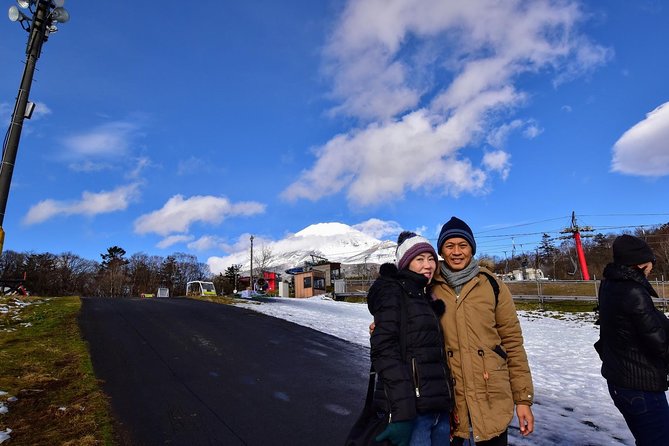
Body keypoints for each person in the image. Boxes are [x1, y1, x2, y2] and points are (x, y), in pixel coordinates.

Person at [431, 216, 534, 445]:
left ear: (472, 249)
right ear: (441, 251)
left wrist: (523, 400)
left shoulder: (492, 285)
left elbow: (513, 344)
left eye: (462, 245)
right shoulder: (430, 286)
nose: (456, 252)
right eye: (449, 246)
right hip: (448, 403)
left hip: (491, 400)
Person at [368, 231, 454, 446]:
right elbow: (384, 352)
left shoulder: (425, 297)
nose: (428, 265)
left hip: (438, 410)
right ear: (406, 263)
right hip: (413, 411)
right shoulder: (394, 292)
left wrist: (448, 404)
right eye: (419, 259)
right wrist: (403, 414)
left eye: (431, 258)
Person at [594, 234, 669, 445]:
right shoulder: (634, 290)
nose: (652, 267)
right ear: (639, 264)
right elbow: (658, 342)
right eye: (650, 262)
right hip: (640, 385)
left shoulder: (610, 284)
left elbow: (640, 323)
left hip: (620, 380)